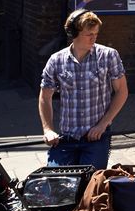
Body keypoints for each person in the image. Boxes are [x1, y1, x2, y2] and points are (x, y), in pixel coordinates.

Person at [39, 10, 128, 169]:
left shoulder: (108, 56)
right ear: (73, 33)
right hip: (66, 137)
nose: (94, 38)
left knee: (90, 185)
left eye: (96, 33)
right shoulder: (56, 61)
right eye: (89, 34)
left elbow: (122, 91)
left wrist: (103, 124)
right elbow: (45, 97)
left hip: (96, 137)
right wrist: (48, 130)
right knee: (57, 182)